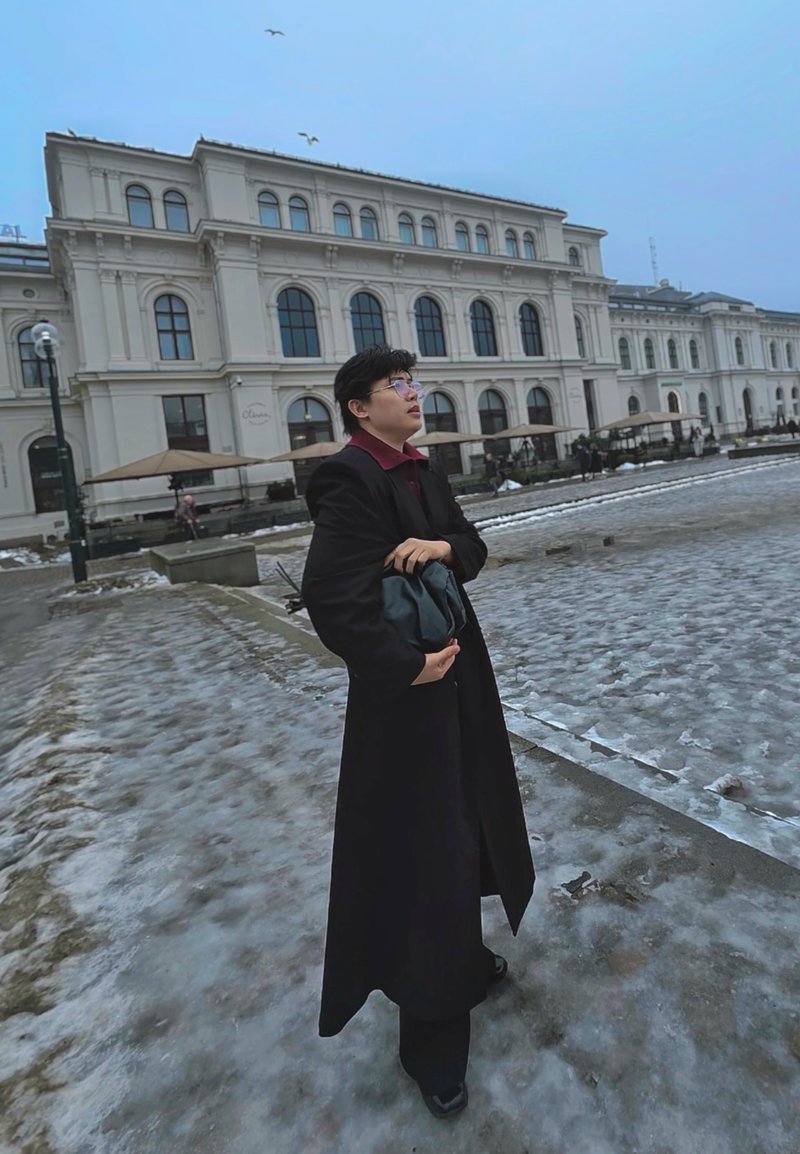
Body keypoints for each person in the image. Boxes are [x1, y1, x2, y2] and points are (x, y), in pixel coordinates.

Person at [301, 346, 534, 1119]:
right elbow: (332, 599)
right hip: (406, 704)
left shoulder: (423, 469)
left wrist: (440, 547)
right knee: (424, 857)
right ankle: (431, 1041)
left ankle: (463, 957)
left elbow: (470, 546)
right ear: (360, 408)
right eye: (397, 385)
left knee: (464, 826)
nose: (413, 392)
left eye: (414, 381)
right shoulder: (349, 476)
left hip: (461, 683)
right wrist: (405, 668)